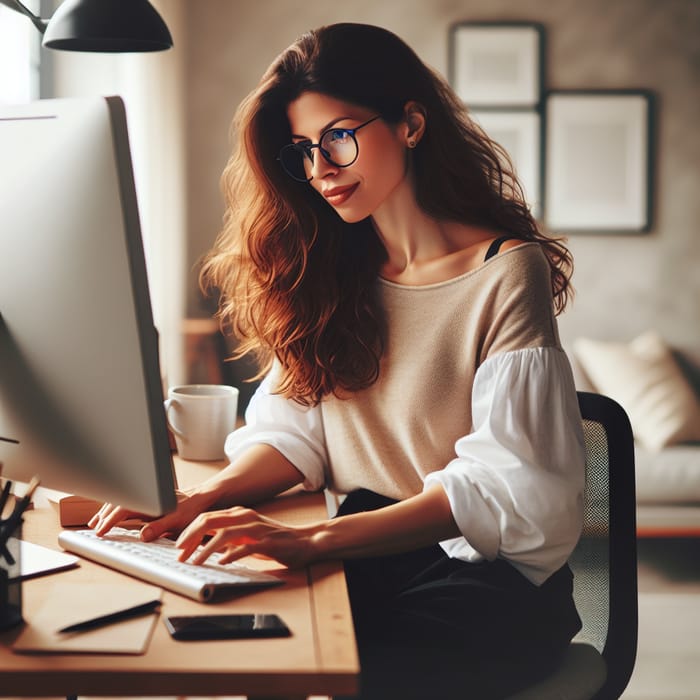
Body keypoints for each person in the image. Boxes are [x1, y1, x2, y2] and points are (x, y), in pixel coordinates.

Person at [90, 22, 586, 699]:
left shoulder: (503, 271)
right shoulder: (330, 270)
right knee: (232, 634)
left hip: (483, 579)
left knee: (339, 669)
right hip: (370, 550)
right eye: (302, 150)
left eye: (338, 136)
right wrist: (196, 500)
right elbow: (295, 437)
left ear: (410, 122)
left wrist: (317, 541)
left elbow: (502, 486)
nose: (320, 167)